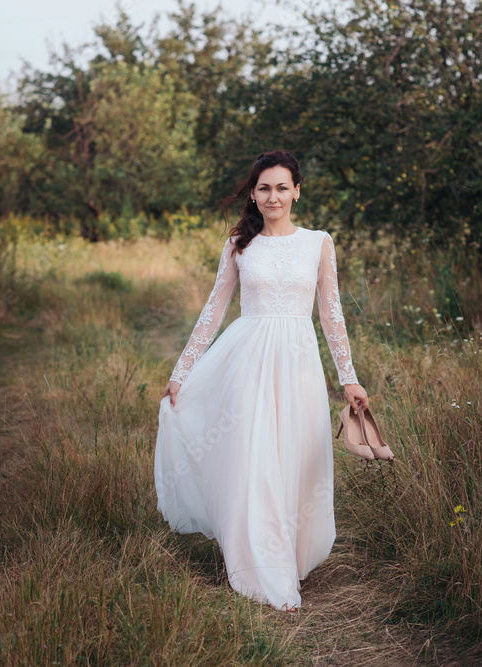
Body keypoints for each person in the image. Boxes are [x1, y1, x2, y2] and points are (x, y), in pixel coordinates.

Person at [154, 149, 370, 613]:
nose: (274, 196)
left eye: (282, 187)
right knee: (252, 456)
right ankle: (257, 561)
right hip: (247, 360)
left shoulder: (318, 242)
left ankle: (289, 553)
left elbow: (331, 315)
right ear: (253, 194)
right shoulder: (239, 244)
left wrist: (348, 378)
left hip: (298, 363)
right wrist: (180, 373)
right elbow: (214, 310)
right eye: (264, 188)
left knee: (293, 455)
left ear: (297, 190)